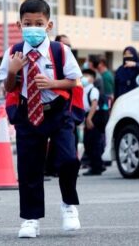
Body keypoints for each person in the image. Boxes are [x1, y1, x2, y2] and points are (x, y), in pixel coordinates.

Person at [0, 0, 81, 238]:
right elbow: (9, 88)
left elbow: (74, 80)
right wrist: (13, 71)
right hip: (27, 113)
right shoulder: (13, 52)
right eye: (27, 23)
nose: (32, 28)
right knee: (29, 167)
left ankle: (68, 204)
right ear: (19, 25)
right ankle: (31, 219)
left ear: (48, 25)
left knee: (67, 159)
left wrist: (53, 83)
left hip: (56, 111)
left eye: (38, 23)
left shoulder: (60, 51)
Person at [45, 34, 75, 177]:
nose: (67, 48)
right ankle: (50, 168)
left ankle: (69, 196)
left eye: (70, 45)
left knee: (69, 154)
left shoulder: (70, 61)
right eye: (65, 44)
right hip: (40, 110)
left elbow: (74, 83)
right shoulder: (48, 56)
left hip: (67, 111)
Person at [81, 69, 106, 176]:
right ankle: (96, 165)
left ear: (93, 79)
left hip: (94, 116)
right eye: (84, 75)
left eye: (88, 75)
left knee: (93, 142)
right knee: (88, 142)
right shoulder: (84, 89)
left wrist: (89, 118)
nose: (85, 78)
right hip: (88, 115)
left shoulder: (93, 90)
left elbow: (94, 104)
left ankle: (97, 167)